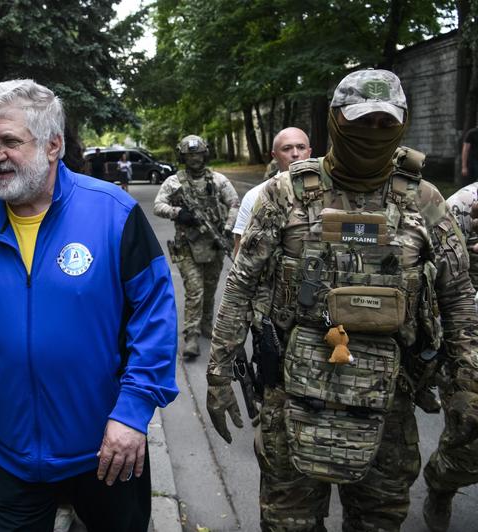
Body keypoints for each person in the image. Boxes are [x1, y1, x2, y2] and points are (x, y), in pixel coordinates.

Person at [206, 68, 478, 531]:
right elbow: (241, 283)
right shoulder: (284, 194)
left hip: (389, 399)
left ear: (402, 124)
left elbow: (457, 297)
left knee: (378, 521)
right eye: (361, 122)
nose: (373, 134)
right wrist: (218, 371)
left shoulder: (424, 201)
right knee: (289, 522)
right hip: (291, 394)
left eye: (384, 124)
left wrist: (469, 381)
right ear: (335, 120)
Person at [0, 79, 178, 532]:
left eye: (9, 141)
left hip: (107, 449)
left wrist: (133, 413)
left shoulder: (113, 212)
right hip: (9, 452)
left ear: (53, 144)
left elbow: (154, 318)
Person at [421, 184, 478, 531]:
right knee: (469, 430)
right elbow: (441, 281)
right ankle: (442, 482)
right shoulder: (461, 205)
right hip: (470, 333)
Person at [153, 135, 239, 358]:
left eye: (198, 153)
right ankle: (191, 336)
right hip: (187, 246)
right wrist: (179, 213)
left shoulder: (218, 180)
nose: (194, 159)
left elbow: (234, 204)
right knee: (195, 291)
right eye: (190, 154)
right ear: (182, 156)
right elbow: (158, 205)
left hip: (214, 244)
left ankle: (207, 326)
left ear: (205, 154)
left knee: (210, 290)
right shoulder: (174, 182)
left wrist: (228, 228)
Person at [232, 127, 311, 256]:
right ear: (274, 155)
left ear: (309, 152)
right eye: (287, 148)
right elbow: (239, 251)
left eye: (301, 147)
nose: (295, 153)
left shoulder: (329, 192)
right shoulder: (255, 195)